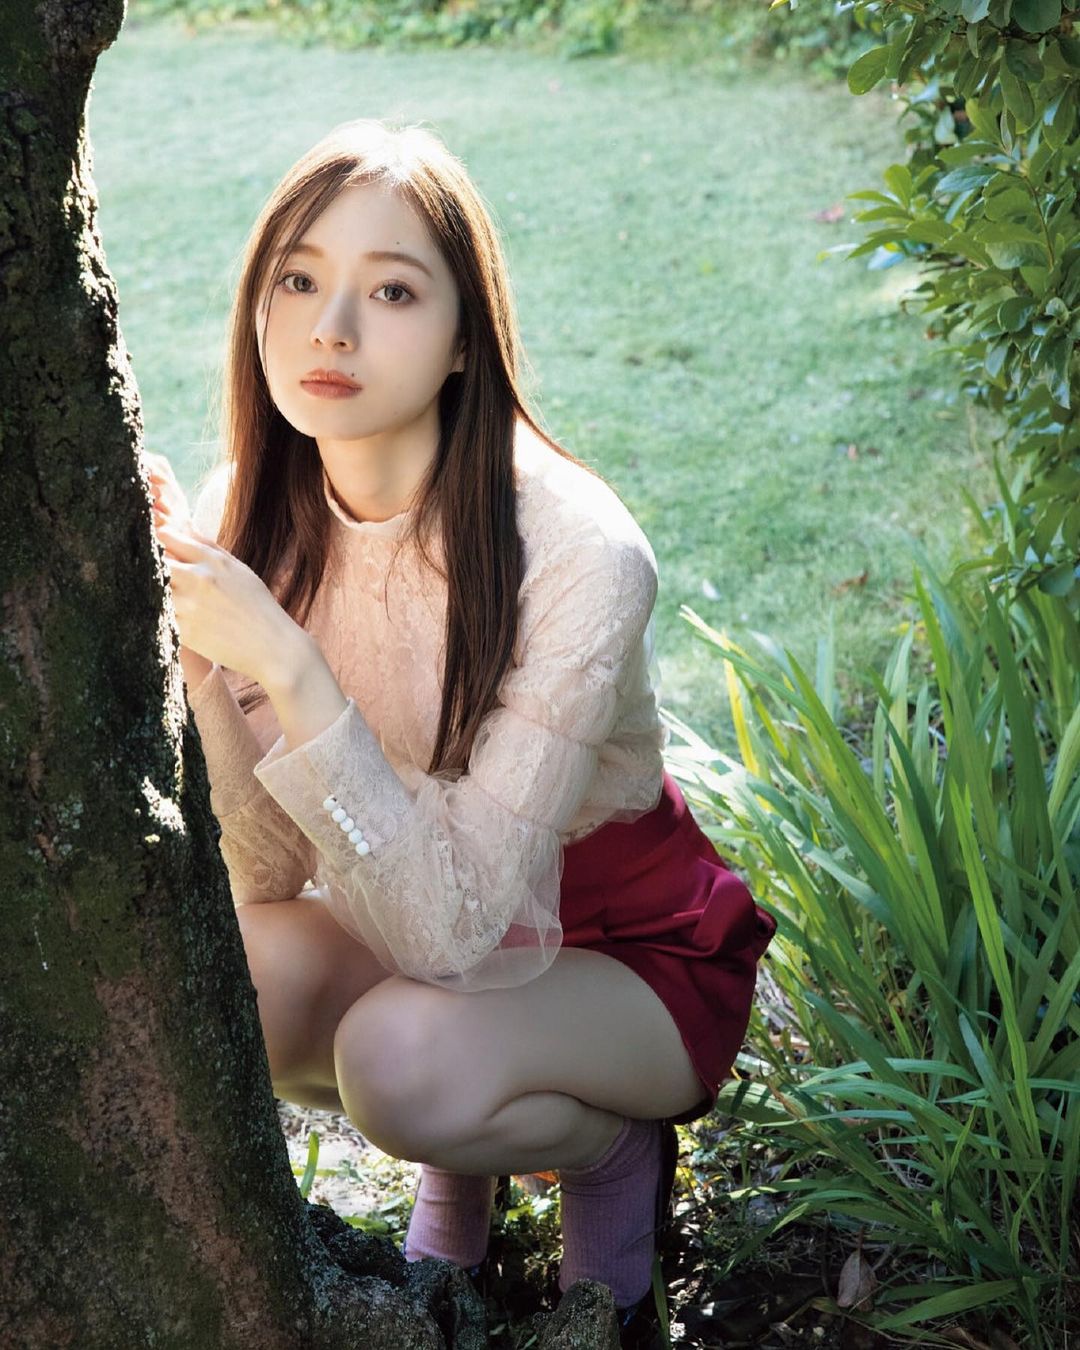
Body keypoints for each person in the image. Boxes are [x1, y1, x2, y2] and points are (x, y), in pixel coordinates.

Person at [147, 117, 776, 1333]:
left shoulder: (580, 551)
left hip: (629, 948)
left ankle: (604, 1154)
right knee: (228, 980)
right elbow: (267, 875)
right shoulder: (250, 514)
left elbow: (456, 923)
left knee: (398, 1063)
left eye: (391, 290)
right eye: (299, 280)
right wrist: (205, 659)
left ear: (462, 341)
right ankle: (470, 1143)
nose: (331, 328)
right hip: (413, 912)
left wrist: (286, 659)